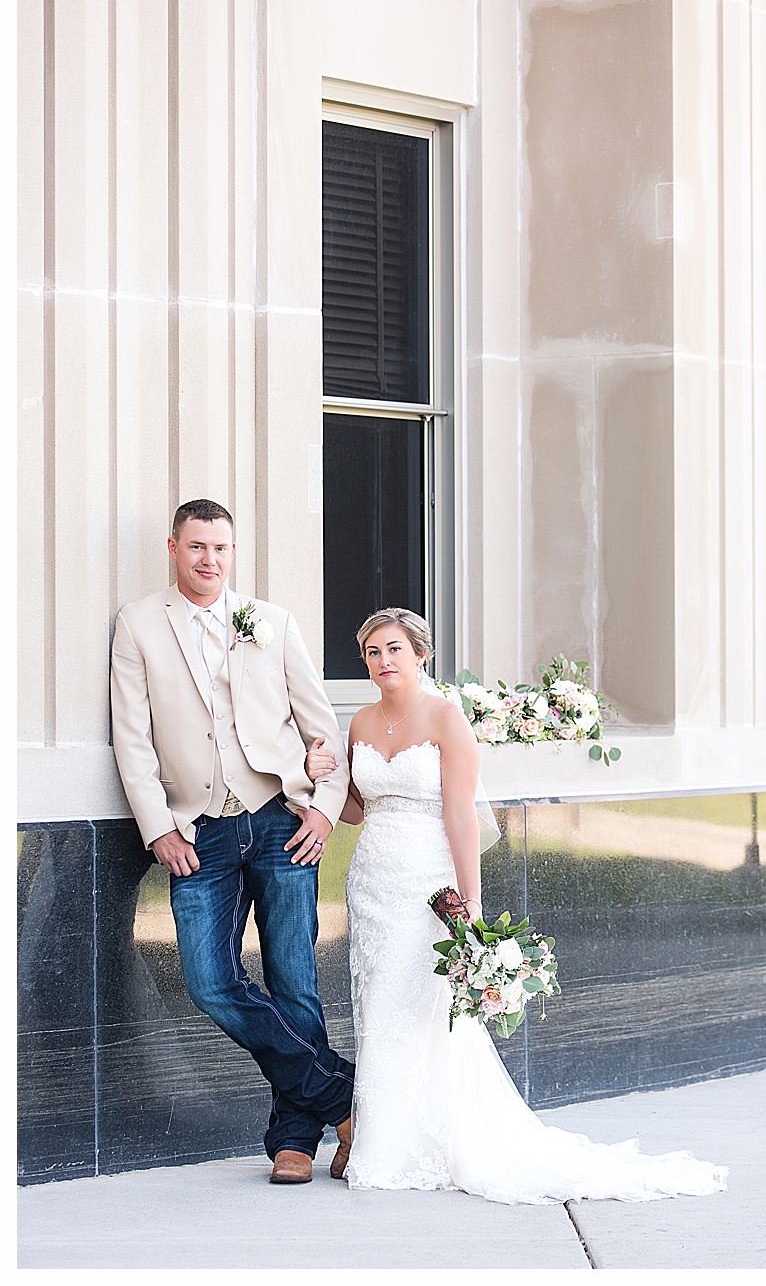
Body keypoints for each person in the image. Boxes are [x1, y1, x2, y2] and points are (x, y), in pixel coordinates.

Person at [309, 608, 726, 1203]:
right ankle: (386, 1143)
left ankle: (437, 1140)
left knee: (423, 1004)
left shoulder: (447, 718)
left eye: (394, 649)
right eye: (373, 652)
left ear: (420, 655)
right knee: (379, 1003)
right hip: (373, 880)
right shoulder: (361, 724)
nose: (384, 661)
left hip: (429, 882)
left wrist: (471, 899)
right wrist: (317, 772)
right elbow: (355, 808)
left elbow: (458, 814)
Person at [109, 498, 355, 1184]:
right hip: (198, 831)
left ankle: (295, 1142)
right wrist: (157, 824)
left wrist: (325, 811)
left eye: (218, 548)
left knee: (294, 979)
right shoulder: (138, 624)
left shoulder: (271, 623)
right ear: (173, 547)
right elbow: (132, 736)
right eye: (195, 547)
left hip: (281, 820)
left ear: (232, 550)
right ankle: (342, 1095)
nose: (207, 560)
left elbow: (320, 726)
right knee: (211, 982)